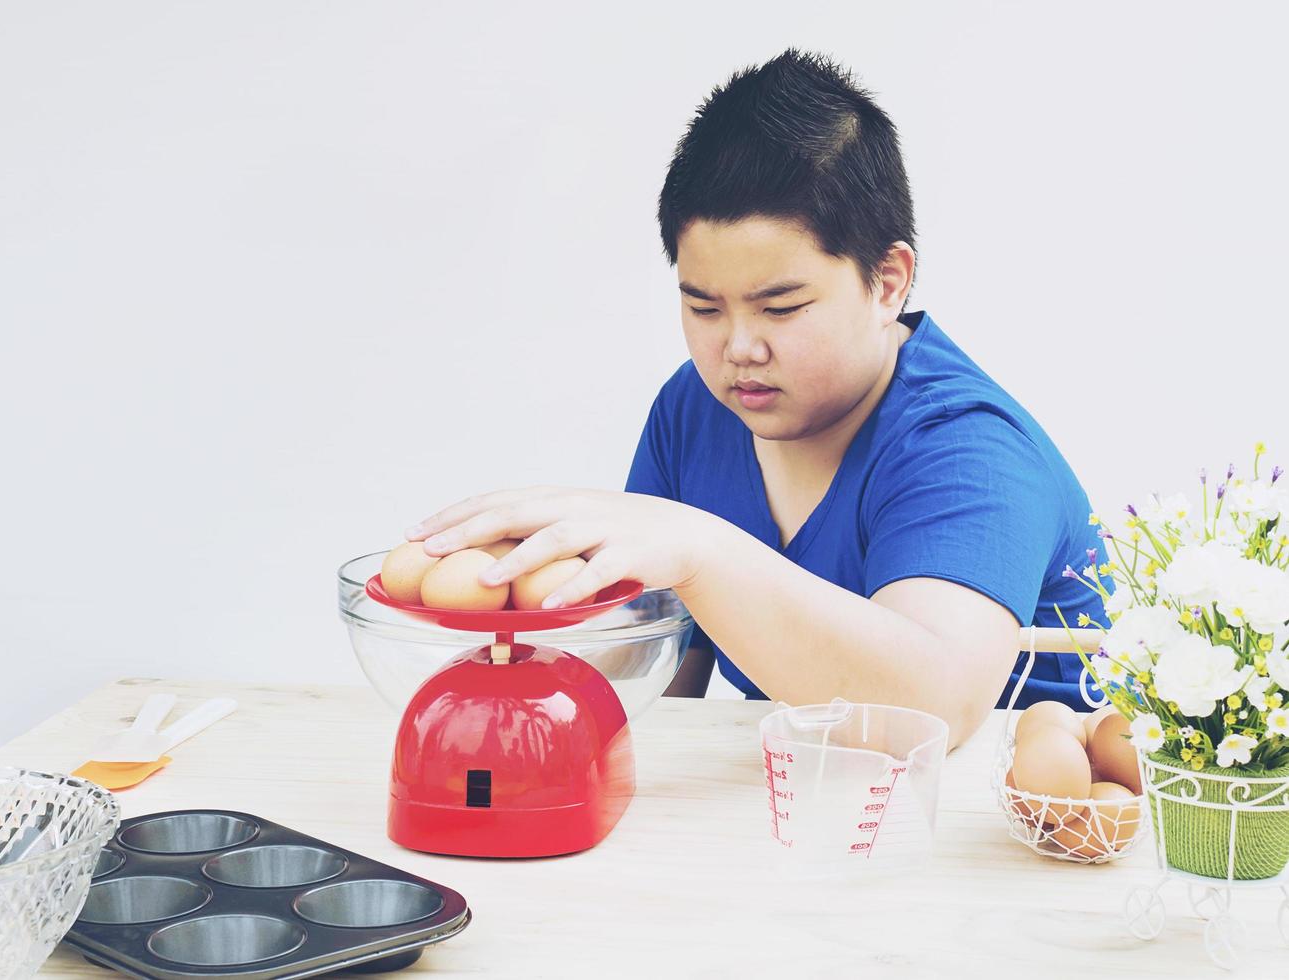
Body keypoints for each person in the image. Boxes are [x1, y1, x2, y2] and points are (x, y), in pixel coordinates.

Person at [405, 48, 1108, 750]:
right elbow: (662, 668)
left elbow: (933, 712)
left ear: (888, 282)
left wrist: (702, 551)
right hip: (809, 794)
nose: (738, 347)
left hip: (1005, 826)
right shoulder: (697, 410)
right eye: (704, 309)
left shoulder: (968, 447)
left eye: (780, 307)